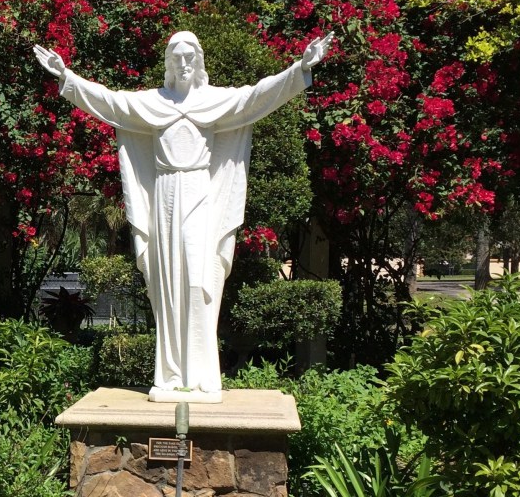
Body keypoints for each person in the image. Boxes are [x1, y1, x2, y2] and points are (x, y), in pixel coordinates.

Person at [34, 31, 333, 402]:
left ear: (199, 60)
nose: (183, 63)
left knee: (198, 280)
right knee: (167, 284)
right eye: (176, 57)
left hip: (198, 194)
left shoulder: (213, 101)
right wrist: (67, 77)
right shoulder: (154, 103)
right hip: (164, 197)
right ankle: (171, 375)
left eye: (190, 56)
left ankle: (204, 374)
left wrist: (299, 68)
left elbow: (257, 96)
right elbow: (111, 102)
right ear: (169, 63)